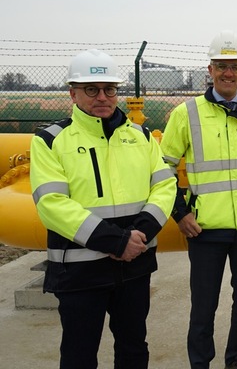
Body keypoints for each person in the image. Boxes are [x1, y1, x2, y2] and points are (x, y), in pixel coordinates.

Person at [30, 49, 177, 368]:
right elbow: (51, 204)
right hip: (80, 272)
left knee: (134, 348)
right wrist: (116, 242)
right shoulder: (51, 140)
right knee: (79, 354)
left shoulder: (140, 136)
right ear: (73, 92)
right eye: (91, 89)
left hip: (134, 267)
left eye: (109, 89)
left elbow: (165, 185)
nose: (102, 96)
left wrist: (139, 234)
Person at [159, 30, 237, 369]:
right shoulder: (187, 114)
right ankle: (201, 363)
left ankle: (236, 360)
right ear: (209, 70)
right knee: (204, 305)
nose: (229, 73)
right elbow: (161, 169)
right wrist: (179, 213)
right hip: (205, 230)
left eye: (236, 66)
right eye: (222, 66)